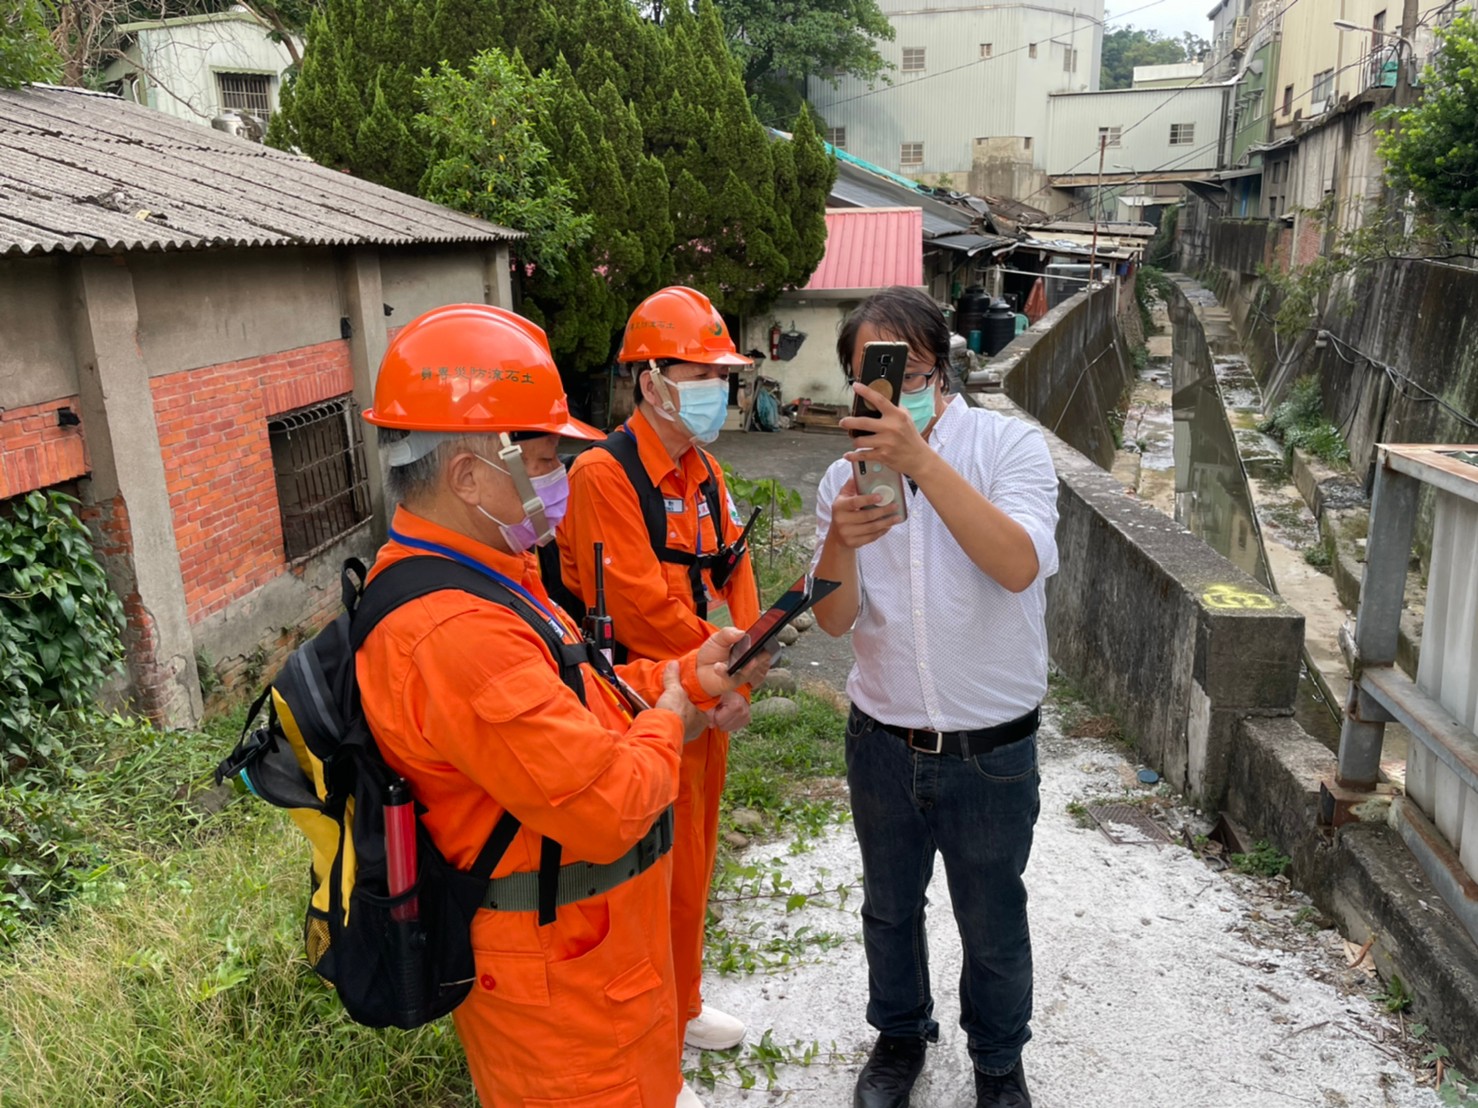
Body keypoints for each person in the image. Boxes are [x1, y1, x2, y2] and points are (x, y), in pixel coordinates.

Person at [356, 303, 763, 1107]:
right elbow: (610, 803)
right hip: (561, 993)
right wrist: (676, 710)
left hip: (598, 958)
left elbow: (584, 698)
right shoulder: (453, 629)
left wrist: (685, 673)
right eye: (541, 459)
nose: (556, 481)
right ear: (470, 476)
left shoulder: (496, 577)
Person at [810, 287, 1060, 1108]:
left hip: (992, 748)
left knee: (992, 922)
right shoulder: (839, 482)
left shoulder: (1009, 448)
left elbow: (1018, 564)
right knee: (888, 908)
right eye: (868, 376)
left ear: (940, 371)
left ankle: (998, 1060)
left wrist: (923, 462)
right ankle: (899, 1036)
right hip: (882, 741)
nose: (887, 394)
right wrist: (837, 546)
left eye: (905, 373)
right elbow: (836, 622)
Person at [558, 286, 762, 1108]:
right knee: (642, 879)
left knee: (693, 865)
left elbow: (733, 569)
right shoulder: (603, 474)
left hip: (704, 698)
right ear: (650, 381)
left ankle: (680, 1008)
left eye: (723, 373)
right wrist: (719, 670)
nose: (717, 386)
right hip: (639, 704)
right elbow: (641, 604)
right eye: (700, 371)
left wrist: (743, 659)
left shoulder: (704, 471)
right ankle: (651, 1059)